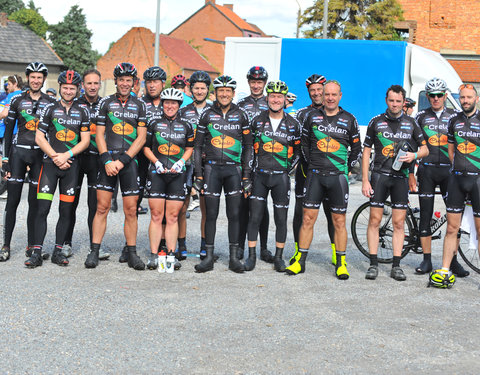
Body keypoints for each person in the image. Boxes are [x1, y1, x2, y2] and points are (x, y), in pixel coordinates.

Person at [287, 80, 361, 278]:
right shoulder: (311, 117)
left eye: (333, 94)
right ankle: (300, 261)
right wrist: (313, 164)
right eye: (327, 94)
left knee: (338, 221)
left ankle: (341, 263)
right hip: (315, 176)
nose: (329, 98)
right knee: (307, 219)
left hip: (338, 178)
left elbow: (356, 148)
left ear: (340, 96)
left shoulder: (349, 119)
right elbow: (303, 145)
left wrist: (346, 169)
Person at [362, 85, 429, 281]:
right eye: (391, 100)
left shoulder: (411, 123)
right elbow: (366, 152)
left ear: (403, 102)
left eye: (398, 101)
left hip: (400, 178)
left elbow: (425, 150)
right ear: (386, 100)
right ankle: (373, 264)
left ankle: (396, 265)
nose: (394, 104)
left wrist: (414, 155)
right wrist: (365, 180)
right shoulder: (376, 122)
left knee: (399, 223)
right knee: (375, 220)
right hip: (379, 176)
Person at [84, 62, 147, 270]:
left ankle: (131, 252)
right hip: (108, 161)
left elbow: (141, 138)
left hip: (129, 162)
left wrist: (123, 161)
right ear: (116, 81)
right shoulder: (105, 103)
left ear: (134, 82)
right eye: (121, 80)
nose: (125, 83)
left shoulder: (139, 105)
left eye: (129, 80)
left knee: (131, 210)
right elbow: (99, 134)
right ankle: (94, 251)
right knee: (101, 208)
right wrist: (107, 160)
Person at [25, 70, 90, 267]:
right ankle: (36, 252)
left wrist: (66, 155)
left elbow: (85, 141)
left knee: (66, 210)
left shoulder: (83, 111)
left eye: (72, 88)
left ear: (78, 90)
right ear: (60, 88)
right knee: (42, 209)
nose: (68, 91)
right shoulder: (49, 109)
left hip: (71, 166)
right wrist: (55, 156)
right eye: (65, 87)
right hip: (49, 166)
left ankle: (58, 251)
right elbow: (39, 137)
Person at [193, 75, 253, 273]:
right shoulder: (207, 114)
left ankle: (234, 258)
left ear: (233, 94)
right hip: (211, 170)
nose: (225, 94)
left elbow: (248, 148)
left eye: (228, 91)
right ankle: (208, 257)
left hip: (234, 170)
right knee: (210, 214)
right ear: (215, 94)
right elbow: (197, 147)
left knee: (234, 215)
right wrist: (199, 175)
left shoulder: (242, 115)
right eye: (221, 91)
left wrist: (246, 176)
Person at [409, 78, 469, 277]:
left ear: (445, 95)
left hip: (450, 173)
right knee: (425, 216)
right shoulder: (420, 117)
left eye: (439, 95)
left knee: (455, 220)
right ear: (428, 96)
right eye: (432, 95)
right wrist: (410, 172)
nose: (436, 98)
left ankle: (453, 261)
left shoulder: (455, 116)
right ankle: (427, 260)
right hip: (427, 171)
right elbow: (411, 146)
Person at [0, 63, 55, 262]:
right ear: (28, 78)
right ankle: (5, 245)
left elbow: (53, 132)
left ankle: (32, 246)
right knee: (12, 202)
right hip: (18, 154)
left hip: (39, 156)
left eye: (39, 77)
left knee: (35, 203)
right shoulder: (16, 99)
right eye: (33, 77)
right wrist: (5, 159)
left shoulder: (51, 101)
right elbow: (8, 131)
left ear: (43, 80)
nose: (36, 80)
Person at [429, 84, 480, 288]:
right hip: (457, 179)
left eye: (469, 97)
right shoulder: (454, 121)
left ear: (476, 99)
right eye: (463, 97)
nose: (465, 100)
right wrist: (458, 168)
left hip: (478, 180)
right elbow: (451, 152)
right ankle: (444, 270)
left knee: (478, 228)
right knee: (452, 227)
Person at [246, 81, 300, 272]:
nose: (276, 100)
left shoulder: (293, 124)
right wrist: (248, 175)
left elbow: (299, 152)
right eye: (272, 96)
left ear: (285, 99)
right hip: (259, 176)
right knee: (255, 217)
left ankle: (278, 257)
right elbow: (248, 149)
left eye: (279, 97)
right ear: (267, 98)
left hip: (281, 178)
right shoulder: (257, 120)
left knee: (281, 218)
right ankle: (251, 256)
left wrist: (287, 169)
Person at [143, 88, 194, 271]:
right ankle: (154, 255)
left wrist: (182, 162)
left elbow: (190, 148)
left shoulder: (186, 125)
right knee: (156, 215)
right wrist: (156, 162)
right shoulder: (154, 123)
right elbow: (146, 148)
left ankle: (171, 254)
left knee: (172, 217)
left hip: (177, 174)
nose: (170, 106)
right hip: (157, 173)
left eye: (174, 103)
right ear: (162, 103)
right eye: (167, 102)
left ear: (179, 105)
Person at [291, 74, 337, 267]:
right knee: (301, 213)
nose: (317, 93)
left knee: (331, 212)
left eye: (320, 89)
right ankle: (297, 251)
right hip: (306, 171)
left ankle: (336, 251)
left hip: (330, 170)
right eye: (313, 90)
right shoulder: (302, 113)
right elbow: (295, 141)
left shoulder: (336, 112)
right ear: (308, 92)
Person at [62, 69, 106, 259]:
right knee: (70, 204)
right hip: (77, 159)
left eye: (96, 83)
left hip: (97, 159)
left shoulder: (105, 104)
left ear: (100, 84)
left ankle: (94, 246)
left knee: (94, 206)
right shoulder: (75, 103)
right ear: (82, 86)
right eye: (89, 83)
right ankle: (65, 243)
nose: (93, 87)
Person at [237, 66, 272, 263]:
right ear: (248, 82)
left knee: (262, 207)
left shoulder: (272, 102)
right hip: (244, 160)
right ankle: (241, 246)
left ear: (264, 83)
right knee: (243, 205)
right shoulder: (241, 104)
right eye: (253, 82)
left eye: (260, 82)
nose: (256, 85)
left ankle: (265, 248)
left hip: (266, 161)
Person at [178, 70, 212, 260]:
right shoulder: (183, 111)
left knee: (206, 207)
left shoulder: (214, 110)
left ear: (208, 90)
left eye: (202, 88)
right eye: (196, 88)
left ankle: (204, 246)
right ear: (190, 90)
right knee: (182, 207)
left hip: (207, 164)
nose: (199, 91)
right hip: (187, 163)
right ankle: (181, 245)